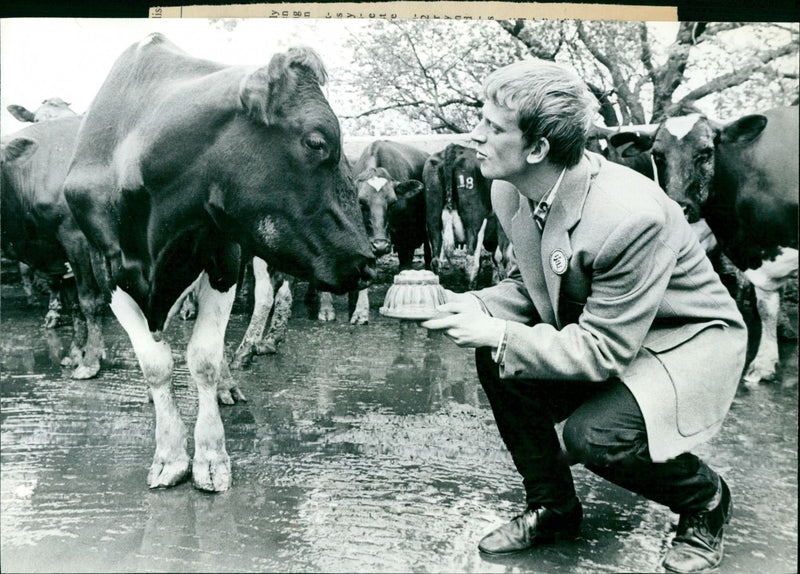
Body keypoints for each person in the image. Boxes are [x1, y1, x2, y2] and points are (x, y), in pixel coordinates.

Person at [420, 59, 747, 574]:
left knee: (595, 436)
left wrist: (501, 332)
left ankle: (704, 501)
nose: (474, 136)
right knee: (499, 356)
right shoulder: (511, 188)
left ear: (537, 149)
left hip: (683, 338)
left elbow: (604, 351)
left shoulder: (630, 215)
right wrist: (477, 306)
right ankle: (553, 509)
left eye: (492, 127)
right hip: (615, 326)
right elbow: (533, 283)